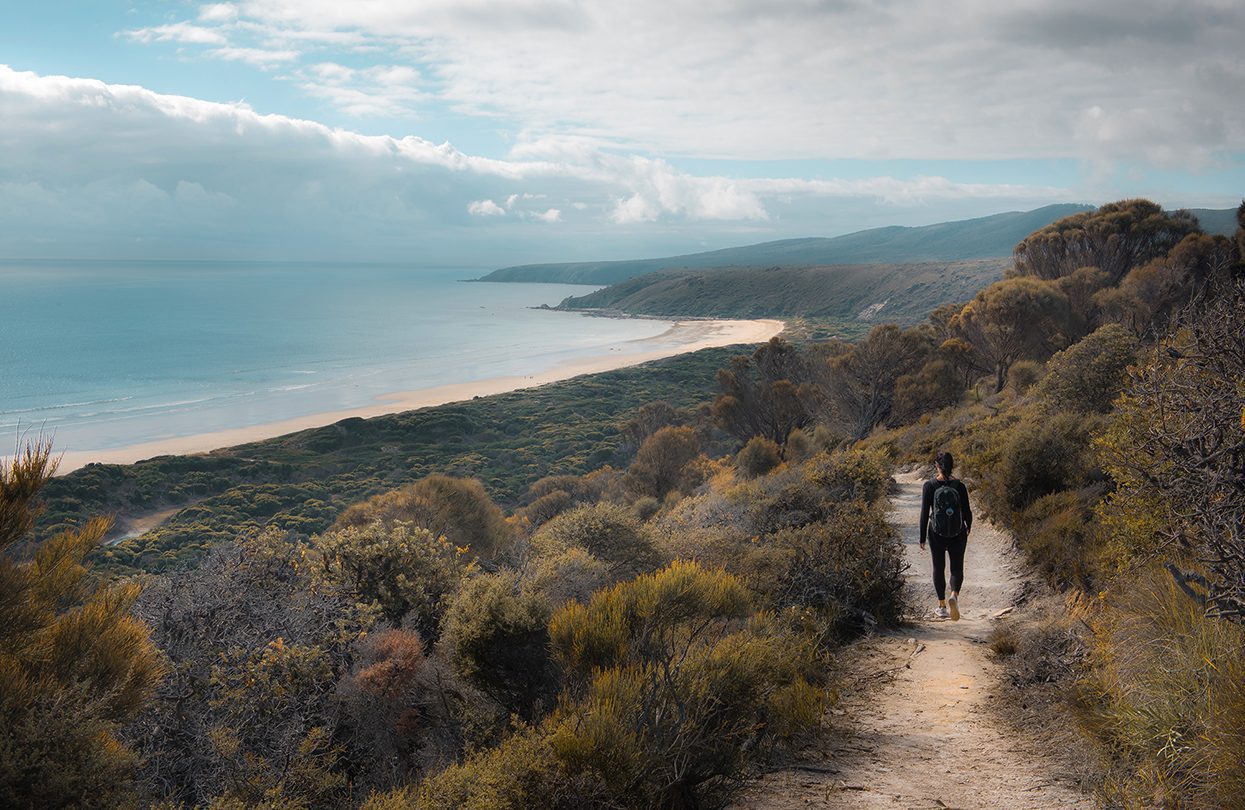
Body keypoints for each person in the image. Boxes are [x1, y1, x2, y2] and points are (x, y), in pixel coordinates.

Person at [919, 451, 972, 620]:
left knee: (938, 567)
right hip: (958, 532)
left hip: (936, 532)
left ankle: (942, 606)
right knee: (957, 567)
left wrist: (921, 537)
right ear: (952, 466)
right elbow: (967, 511)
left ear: (937, 466)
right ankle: (954, 595)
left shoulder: (929, 486)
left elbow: (924, 512)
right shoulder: (960, 486)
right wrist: (968, 527)